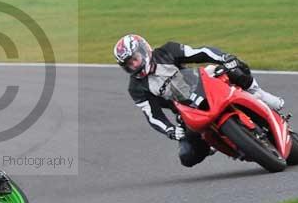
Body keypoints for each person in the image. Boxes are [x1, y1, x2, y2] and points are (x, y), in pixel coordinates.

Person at [113, 34, 285, 168]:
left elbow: (200, 52)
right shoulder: (136, 88)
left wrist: (224, 58)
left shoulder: (167, 51)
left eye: (134, 59)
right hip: (185, 111)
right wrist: (171, 131)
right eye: (128, 65)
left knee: (235, 67)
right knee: (187, 157)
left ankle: (258, 93)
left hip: (203, 82)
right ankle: (220, 144)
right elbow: (152, 115)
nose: (133, 66)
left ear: (144, 50)